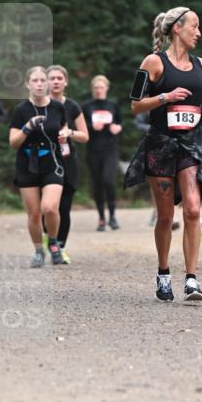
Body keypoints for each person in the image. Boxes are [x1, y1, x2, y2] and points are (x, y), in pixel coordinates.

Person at [125, 5, 202, 302]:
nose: (199, 32)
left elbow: (192, 107)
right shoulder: (153, 62)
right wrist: (165, 96)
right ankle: (163, 273)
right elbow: (135, 105)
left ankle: (192, 279)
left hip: (190, 146)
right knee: (166, 215)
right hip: (160, 146)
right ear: (177, 28)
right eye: (195, 26)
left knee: (192, 209)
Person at [9, 66, 68, 267]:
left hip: (52, 162)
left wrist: (65, 135)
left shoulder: (58, 108)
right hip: (27, 164)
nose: (40, 84)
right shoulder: (21, 110)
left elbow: (64, 129)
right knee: (34, 213)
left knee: (50, 208)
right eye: (35, 80)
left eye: (43, 80)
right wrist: (28, 126)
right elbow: (13, 142)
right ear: (28, 84)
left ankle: (53, 242)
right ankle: (38, 250)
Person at [46, 65, 89, 259]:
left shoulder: (72, 106)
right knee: (45, 207)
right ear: (46, 82)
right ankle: (48, 234)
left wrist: (69, 132)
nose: (55, 81)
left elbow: (84, 136)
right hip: (43, 160)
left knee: (64, 206)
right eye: (52, 78)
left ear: (65, 82)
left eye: (59, 78)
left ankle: (60, 247)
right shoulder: (39, 105)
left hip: (67, 159)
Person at [82, 75, 123, 231]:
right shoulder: (86, 106)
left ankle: (112, 216)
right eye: (96, 88)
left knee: (108, 180)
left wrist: (118, 128)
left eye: (101, 87)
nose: (99, 90)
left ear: (106, 88)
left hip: (110, 148)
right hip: (93, 149)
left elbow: (120, 122)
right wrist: (92, 126)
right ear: (93, 89)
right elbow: (79, 125)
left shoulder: (112, 104)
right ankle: (101, 218)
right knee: (97, 183)